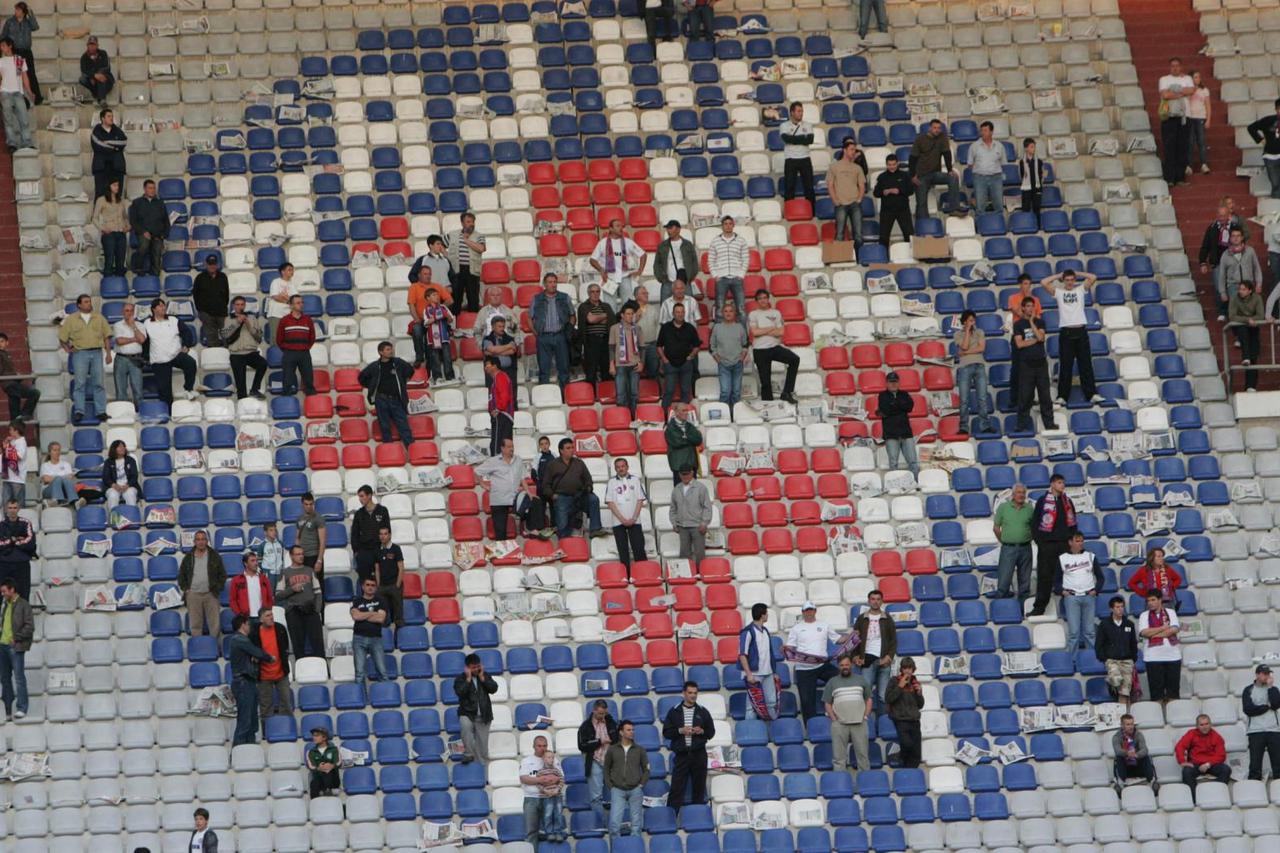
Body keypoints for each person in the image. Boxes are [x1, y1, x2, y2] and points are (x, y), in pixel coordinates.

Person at [1040, 270, 1101, 405]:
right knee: (1066, 366)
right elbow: (1043, 282)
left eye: (1071, 279)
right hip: (1066, 332)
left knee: (1085, 365)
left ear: (1074, 280)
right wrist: (1058, 275)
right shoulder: (1059, 292)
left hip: (1081, 331)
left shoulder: (1080, 290)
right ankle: (1062, 396)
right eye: (1067, 280)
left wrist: (1077, 273)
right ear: (1064, 281)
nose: (1069, 282)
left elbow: (1093, 276)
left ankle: (1091, 394)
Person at [784, 601, 843, 722]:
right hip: (804, 668)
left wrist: (852, 636)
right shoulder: (796, 628)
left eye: (811, 610)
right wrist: (786, 649)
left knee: (842, 679)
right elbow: (791, 647)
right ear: (803, 612)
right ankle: (811, 728)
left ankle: (840, 714)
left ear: (815, 611)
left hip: (822, 665)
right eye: (806, 610)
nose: (809, 612)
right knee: (806, 701)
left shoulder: (824, 625)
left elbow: (838, 639)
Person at [59, 293, 113, 424]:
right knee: (80, 383)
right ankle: (79, 410)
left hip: (96, 352)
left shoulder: (99, 318)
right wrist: (68, 349)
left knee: (99, 383)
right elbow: (62, 338)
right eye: (86, 302)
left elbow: (107, 336)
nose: (89, 304)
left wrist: (108, 353)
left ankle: (101, 411)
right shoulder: (71, 319)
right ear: (79, 305)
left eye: (89, 301)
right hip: (80, 353)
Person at [663, 681, 715, 815]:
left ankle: (697, 818)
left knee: (699, 788)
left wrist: (701, 731)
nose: (693, 696)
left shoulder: (703, 711)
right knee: (676, 788)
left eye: (695, 693)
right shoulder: (674, 711)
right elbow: (666, 732)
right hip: (681, 755)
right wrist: (680, 731)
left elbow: (711, 732)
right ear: (684, 693)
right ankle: (671, 818)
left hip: (699, 755)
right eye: (690, 693)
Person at [540, 438, 606, 540]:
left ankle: (595, 529)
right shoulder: (553, 465)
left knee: (593, 499)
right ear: (561, 450)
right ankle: (565, 542)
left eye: (572, 447)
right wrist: (552, 495)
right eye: (568, 448)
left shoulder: (579, 463)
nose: (571, 450)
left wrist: (588, 488)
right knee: (562, 529)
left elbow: (588, 479)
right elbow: (545, 485)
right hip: (562, 497)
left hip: (580, 496)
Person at [1029, 474, 1077, 616]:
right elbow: (1035, 523)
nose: (1062, 485)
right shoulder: (1042, 501)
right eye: (1059, 482)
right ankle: (1039, 608)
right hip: (1047, 545)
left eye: (1063, 482)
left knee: (1067, 577)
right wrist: (1040, 542)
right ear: (1052, 484)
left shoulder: (1068, 502)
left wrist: (1070, 542)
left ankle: (1070, 608)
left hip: (1064, 545)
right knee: (1044, 577)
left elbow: (1073, 523)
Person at [823, 653, 873, 785]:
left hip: (859, 723)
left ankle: (866, 784)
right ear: (838, 666)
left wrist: (865, 716)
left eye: (846, 664)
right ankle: (841, 786)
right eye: (841, 665)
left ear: (851, 665)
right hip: (839, 724)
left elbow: (868, 699)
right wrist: (834, 719)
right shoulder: (832, 682)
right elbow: (827, 703)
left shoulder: (861, 680)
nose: (844, 667)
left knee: (863, 756)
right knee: (839, 758)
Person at [142, 298, 198, 405]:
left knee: (191, 363)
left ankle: (188, 389)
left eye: (164, 305)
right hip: (159, 359)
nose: (163, 307)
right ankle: (168, 414)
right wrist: (146, 357)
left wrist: (186, 345)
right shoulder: (147, 323)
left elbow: (187, 332)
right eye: (160, 306)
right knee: (165, 391)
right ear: (153, 309)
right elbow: (144, 341)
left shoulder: (174, 320)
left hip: (175, 354)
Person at [229, 613, 274, 745]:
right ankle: (238, 751)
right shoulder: (239, 639)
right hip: (243, 682)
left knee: (252, 720)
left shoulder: (240, 641)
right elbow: (257, 652)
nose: (249, 627)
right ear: (243, 625)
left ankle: (249, 749)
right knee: (245, 720)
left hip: (248, 682)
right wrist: (269, 657)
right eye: (248, 624)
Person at [359, 341, 414, 447]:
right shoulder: (374, 366)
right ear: (381, 352)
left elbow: (410, 371)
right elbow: (361, 377)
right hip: (381, 400)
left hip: (396, 400)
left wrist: (402, 382)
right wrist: (371, 386)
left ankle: (412, 450)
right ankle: (390, 452)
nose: (391, 351)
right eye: (388, 349)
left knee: (404, 426)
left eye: (391, 349)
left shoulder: (398, 362)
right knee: (384, 427)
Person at [851, 589, 896, 720]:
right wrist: (855, 656)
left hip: (884, 660)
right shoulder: (862, 618)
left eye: (878, 599)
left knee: (883, 695)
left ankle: (883, 723)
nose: (875, 602)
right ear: (868, 600)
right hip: (867, 660)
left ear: (882, 601)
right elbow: (854, 640)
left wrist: (889, 656)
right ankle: (866, 722)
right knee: (866, 694)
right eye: (873, 599)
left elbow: (893, 640)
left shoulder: (887, 619)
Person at [1012, 297, 1054, 432]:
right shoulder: (1018, 325)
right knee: (1025, 396)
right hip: (1026, 364)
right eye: (1028, 306)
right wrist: (1035, 340)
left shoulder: (1040, 322)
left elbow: (1041, 337)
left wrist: (1031, 323)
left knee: (1045, 396)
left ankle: (1049, 423)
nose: (1030, 309)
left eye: (1032, 306)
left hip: (1041, 363)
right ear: (1023, 308)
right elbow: (1019, 344)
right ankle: (1021, 425)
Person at [749, 289, 800, 404]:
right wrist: (772, 328)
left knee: (794, 359)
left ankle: (787, 392)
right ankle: (768, 406)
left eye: (764, 298)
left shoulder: (776, 313)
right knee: (765, 383)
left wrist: (762, 330)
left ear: (768, 299)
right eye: (760, 298)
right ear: (757, 301)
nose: (763, 300)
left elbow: (781, 332)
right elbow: (755, 333)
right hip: (760, 350)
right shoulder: (753, 314)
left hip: (774, 347)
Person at [1059, 531, 1103, 656]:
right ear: (1070, 542)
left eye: (1082, 541)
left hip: (1088, 596)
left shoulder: (1090, 556)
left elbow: (1100, 577)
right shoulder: (1063, 558)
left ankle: (1093, 658)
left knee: (1090, 632)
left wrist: (1096, 590)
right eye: (1077, 541)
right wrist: (1062, 592)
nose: (1080, 543)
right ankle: (1073, 660)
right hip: (1071, 597)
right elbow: (1056, 579)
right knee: (1074, 633)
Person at [604, 720, 649, 841]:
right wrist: (610, 786)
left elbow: (646, 769)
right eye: (629, 730)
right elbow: (606, 768)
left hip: (635, 789)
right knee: (614, 824)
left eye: (633, 730)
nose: (632, 732)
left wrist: (641, 785)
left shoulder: (640, 749)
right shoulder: (612, 749)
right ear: (621, 732)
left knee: (636, 825)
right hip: (617, 790)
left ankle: (635, 848)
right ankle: (616, 849)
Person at [577, 699, 619, 828]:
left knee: (618, 793)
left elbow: (617, 739)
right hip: (595, 760)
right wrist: (599, 741)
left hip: (611, 761)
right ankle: (600, 824)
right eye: (600, 713)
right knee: (596, 796)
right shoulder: (585, 726)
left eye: (604, 713)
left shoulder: (612, 723)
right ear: (594, 710)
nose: (602, 716)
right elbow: (582, 745)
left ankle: (615, 823)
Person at [530, 273, 575, 390]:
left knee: (564, 369)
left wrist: (569, 331)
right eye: (550, 282)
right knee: (544, 370)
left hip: (561, 336)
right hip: (543, 337)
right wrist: (536, 333)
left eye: (555, 282)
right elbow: (529, 318)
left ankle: (565, 397)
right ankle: (544, 396)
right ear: (544, 284)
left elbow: (572, 316)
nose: (553, 284)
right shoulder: (536, 298)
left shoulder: (565, 297)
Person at [276, 545, 323, 657]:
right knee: (298, 646)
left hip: (311, 610)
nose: (301, 556)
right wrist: (292, 589)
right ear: (291, 556)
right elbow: (278, 595)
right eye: (298, 554)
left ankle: (323, 669)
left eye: (302, 554)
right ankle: (300, 669)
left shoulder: (309, 570)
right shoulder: (285, 572)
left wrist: (317, 610)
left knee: (318, 644)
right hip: (294, 612)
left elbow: (318, 592)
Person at [738, 602, 782, 721]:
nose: (767, 615)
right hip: (755, 673)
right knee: (752, 705)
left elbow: (769, 653)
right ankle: (751, 732)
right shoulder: (747, 632)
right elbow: (742, 654)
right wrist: (748, 674)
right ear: (762, 615)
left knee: (771, 703)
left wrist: (773, 672)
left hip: (767, 672)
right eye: (766, 613)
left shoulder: (765, 631)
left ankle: (771, 731)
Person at [1137, 590, 1182, 705]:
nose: (1150, 603)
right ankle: (1159, 719)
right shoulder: (1144, 615)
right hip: (1153, 658)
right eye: (1148, 601)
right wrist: (1163, 627)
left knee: (1173, 693)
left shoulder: (1170, 612)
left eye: (1153, 600)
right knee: (1157, 694)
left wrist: (1154, 634)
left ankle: (1173, 719)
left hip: (1173, 657)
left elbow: (1174, 630)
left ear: (1160, 600)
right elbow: (1144, 633)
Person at [478, 437, 527, 542]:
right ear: (502, 448)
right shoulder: (493, 461)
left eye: (512, 446)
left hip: (515, 497)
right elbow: (477, 472)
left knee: (534, 503)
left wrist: (528, 492)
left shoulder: (518, 460)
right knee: (500, 531)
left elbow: (522, 477)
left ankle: (530, 532)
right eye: (509, 447)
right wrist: (483, 485)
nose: (512, 449)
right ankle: (502, 555)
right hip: (499, 499)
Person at [910, 119, 962, 217]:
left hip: (935, 173)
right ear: (930, 128)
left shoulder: (942, 137)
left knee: (954, 177)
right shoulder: (920, 139)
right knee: (921, 203)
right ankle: (922, 224)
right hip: (921, 175)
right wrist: (913, 176)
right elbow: (912, 158)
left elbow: (947, 153)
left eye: (939, 128)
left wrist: (950, 170)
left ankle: (954, 208)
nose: (937, 130)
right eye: (934, 128)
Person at [590, 218, 646, 309]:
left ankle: (627, 323)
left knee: (628, 306)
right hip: (609, 278)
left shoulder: (628, 242)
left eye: (622, 226)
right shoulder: (603, 243)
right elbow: (592, 259)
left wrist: (640, 270)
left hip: (625, 277)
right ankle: (613, 323)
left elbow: (643, 254)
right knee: (610, 307)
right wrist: (601, 270)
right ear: (611, 229)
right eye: (618, 226)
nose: (621, 228)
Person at [520, 735, 567, 844]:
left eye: (545, 746)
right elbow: (524, 779)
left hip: (551, 797)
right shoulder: (527, 760)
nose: (542, 748)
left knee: (551, 830)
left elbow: (560, 778)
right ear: (534, 746)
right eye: (539, 746)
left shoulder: (553, 759)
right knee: (531, 832)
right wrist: (541, 779)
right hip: (531, 799)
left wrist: (540, 780)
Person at [605, 457, 648, 574]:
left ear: (627, 467)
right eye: (618, 467)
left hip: (635, 521)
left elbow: (640, 500)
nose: (621, 469)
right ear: (615, 469)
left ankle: (643, 574)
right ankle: (627, 576)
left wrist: (633, 518)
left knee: (639, 549)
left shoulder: (635, 480)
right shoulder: (611, 482)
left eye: (623, 466)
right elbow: (610, 502)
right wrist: (623, 519)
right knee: (623, 552)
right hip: (618, 522)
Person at [1095, 595, 1139, 709]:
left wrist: (1133, 658)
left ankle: (1123, 714)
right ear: (1111, 609)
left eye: (1122, 607)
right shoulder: (1104, 624)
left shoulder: (1129, 624)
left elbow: (1133, 643)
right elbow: (1099, 644)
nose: (1120, 609)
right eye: (1117, 607)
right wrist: (1104, 658)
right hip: (1112, 660)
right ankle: (1111, 682)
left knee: (1125, 692)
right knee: (1116, 681)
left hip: (1127, 661)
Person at [178, 530, 224, 638]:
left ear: (207, 541)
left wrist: (216, 588)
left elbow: (222, 575)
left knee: (215, 625)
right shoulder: (188, 557)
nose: (201, 542)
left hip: (211, 594)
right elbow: (181, 575)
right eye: (198, 539)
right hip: (193, 595)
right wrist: (186, 589)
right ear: (194, 541)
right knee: (195, 625)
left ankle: (215, 649)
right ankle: (198, 650)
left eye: (203, 539)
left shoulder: (215, 556)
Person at [251, 607, 291, 729]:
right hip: (263, 676)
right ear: (261, 619)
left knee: (286, 703)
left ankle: (286, 728)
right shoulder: (254, 632)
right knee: (266, 707)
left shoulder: (280, 628)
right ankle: (267, 731)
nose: (271, 617)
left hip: (281, 673)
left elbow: (285, 648)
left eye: (272, 615)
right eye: (268, 615)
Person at [454, 653, 497, 764]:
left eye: (478, 666)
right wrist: (468, 679)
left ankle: (482, 769)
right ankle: (468, 753)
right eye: (473, 667)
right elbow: (460, 692)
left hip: (484, 714)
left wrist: (483, 678)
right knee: (465, 726)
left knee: (483, 748)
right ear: (467, 667)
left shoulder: (484, 675)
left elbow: (493, 689)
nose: (477, 669)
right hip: (467, 713)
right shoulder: (460, 679)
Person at [656, 303, 700, 412]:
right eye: (677, 312)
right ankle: (664, 416)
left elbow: (697, 345)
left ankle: (684, 416)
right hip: (669, 364)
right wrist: (664, 359)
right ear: (673, 314)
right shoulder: (665, 328)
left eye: (682, 312)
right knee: (669, 390)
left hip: (686, 364)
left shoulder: (690, 328)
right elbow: (659, 346)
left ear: (685, 313)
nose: (680, 314)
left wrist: (691, 356)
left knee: (686, 391)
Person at [1176, 715, 1231, 800]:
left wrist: (1208, 764)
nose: (1204, 727)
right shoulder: (1191, 733)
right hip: (1195, 763)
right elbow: (1180, 746)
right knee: (1186, 771)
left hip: (1211, 763)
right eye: (1201, 725)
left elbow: (1221, 755)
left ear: (1210, 724)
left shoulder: (1216, 736)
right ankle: (1195, 799)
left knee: (1226, 770)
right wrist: (1182, 761)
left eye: (1206, 724)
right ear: (1197, 726)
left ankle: (1215, 793)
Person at [955, 310, 992, 435]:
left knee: (982, 397)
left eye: (973, 320)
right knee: (964, 399)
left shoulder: (979, 332)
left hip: (979, 366)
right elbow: (964, 346)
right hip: (965, 367)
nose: (972, 322)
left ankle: (985, 425)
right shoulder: (958, 334)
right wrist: (967, 331)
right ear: (964, 321)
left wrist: (965, 353)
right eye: (970, 320)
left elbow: (982, 348)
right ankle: (964, 427)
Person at [223, 296, 267, 400]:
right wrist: (237, 322)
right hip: (236, 354)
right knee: (241, 386)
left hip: (251, 352)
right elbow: (224, 335)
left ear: (245, 305)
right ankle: (242, 407)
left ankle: (254, 389)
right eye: (237, 304)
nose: (240, 307)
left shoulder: (252, 318)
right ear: (233, 306)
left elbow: (259, 337)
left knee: (263, 364)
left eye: (242, 304)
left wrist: (248, 325)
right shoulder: (228, 319)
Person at [407, 263, 452, 367]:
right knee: (417, 329)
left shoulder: (437, 286)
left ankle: (439, 357)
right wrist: (416, 319)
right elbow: (411, 305)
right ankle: (419, 357)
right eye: (425, 274)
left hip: (437, 320)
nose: (428, 276)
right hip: (423, 320)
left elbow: (450, 300)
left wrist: (439, 309)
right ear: (419, 275)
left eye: (429, 274)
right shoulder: (414, 287)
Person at [1158, 57, 1194, 186]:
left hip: (1185, 117)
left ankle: (1180, 178)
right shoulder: (1164, 79)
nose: (1175, 68)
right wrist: (1180, 93)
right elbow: (1164, 95)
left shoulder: (1187, 79)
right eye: (1172, 65)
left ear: (1181, 67)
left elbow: (1191, 90)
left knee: (1182, 148)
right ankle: (1169, 178)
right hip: (1169, 116)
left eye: (1177, 65)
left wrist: (1173, 91)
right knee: (1169, 147)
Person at [1198, 206, 1238, 319]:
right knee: (1218, 287)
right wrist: (1203, 262)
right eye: (1219, 215)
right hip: (1218, 263)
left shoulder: (1235, 227)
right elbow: (1205, 246)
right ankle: (1222, 311)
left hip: (1233, 263)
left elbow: (1243, 242)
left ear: (1228, 216)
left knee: (1233, 287)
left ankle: (1233, 311)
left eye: (1223, 215)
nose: (1221, 218)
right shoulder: (1211, 228)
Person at [1217, 227, 1263, 326]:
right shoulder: (1225, 255)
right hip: (1234, 286)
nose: (1236, 238)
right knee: (1235, 314)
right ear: (1230, 238)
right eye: (1233, 236)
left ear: (1242, 237)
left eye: (1238, 236)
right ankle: (1239, 337)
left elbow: (1257, 268)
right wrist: (1222, 292)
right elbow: (1222, 275)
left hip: (1249, 285)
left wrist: (1259, 284)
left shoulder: (1250, 251)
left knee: (1252, 311)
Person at [707, 215, 749, 323]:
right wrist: (715, 276)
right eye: (725, 224)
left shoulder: (741, 240)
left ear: (733, 225)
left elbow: (745, 258)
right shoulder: (715, 241)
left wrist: (741, 275)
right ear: (722, 226)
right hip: (721, 279)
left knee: (741, 309)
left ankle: (743, 338)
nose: (728, 226)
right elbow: (711, 259)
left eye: (730, 224)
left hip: (737, 278)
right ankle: (719, 337)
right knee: (720, 308)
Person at [1243, 664, 1280, 781]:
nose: (1267, 676)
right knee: (1255, 765)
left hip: (1273, 729)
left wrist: (1270, 688)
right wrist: (1266, 706)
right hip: (1255, 730)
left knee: (1278, 763)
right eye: (1264, 674)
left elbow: (1275, 704)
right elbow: (1248, 710)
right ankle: (1254, 789)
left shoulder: (1274, 689)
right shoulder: (1248, 690)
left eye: (1268, 673)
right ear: (1257, 674)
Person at [710, 302, 750, 411]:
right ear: (722, 313)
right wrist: (718, 359)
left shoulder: (740, 327)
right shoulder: (717, 327)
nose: (728, 313)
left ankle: (735, 415)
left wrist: (742, 356)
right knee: (725, 392)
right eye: (726, 311)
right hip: (723, 365)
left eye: (731, 311)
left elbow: (745, 343)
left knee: (736, 392)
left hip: (738, 364)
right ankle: (723, 415)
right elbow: (712, 346)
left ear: (735, 313)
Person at [886, 657, 925, 768]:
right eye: (905, 668)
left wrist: (919, 693)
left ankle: (911, 773)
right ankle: (902, 763)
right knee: (907, 744)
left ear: (913, 670)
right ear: (901, 670)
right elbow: (888, 698)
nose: (907, 671)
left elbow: (920, 705)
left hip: (915, 720)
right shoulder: (894, 681)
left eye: (910, 668)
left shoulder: (915, 682)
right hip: (901, 720)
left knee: (916, 753)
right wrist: (899, 686)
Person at [827, 137, 867, 245]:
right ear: (844, 150)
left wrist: (859, 199)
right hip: (840, 204)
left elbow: (862, 185)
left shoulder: (857, 168)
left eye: (854, 149)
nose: (854, 152)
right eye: (851, 149)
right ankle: (838, 259)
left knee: (858, 235)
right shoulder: (834, 166)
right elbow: (830, 185)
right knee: (839, 234)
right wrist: (835, 200)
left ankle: (859, 259)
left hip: (855, 204)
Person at [576, 283, 617, 388]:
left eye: (597, 291)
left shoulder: (606, 306)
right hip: (591, 341)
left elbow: (611, 321)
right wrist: (604, 316)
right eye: (592, 292)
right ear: (588, 293)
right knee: (591, 371)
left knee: (606, 370)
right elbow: (590, 319)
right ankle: (591, 396)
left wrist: (596, 318)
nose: (595, 294)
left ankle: (607, 395)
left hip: (606, 341)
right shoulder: (583, 306)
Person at [275, 295, 317, 396]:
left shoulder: (308, 320)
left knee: (308, 380)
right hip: (289, 353)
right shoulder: (284, 320)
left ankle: (312, 402)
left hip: (304, 353)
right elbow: (279, 339)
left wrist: (305, 348)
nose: (301, 305)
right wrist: (288, 349)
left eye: (302, 302)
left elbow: (312, 337)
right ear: (291, 305)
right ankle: (287, 404)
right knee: (287, 380)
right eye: (298, 303)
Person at [415, 288, 458, 386]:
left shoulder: (443, 307)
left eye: (437, 295)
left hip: (444, 336)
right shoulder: (426, 309)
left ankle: (450, 376)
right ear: (428, 298)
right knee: (435, 358)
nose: (437, 297)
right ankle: (437, 377)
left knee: (447, 357)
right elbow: (426, 322)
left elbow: (451, 320)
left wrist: (445, 315)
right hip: (432, 339)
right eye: (434, 295)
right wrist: (436, 317)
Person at [878, 371, 918, 476]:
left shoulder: (904, 394)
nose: (893, 384)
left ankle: (916, 483)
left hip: (906, 433)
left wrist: (893, 405)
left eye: (895, 382)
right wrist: (900, 406)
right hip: (891, 434)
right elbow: (886, 410)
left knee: (913, 461)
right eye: (891, 382)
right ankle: (894, 485)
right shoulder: (882, 395)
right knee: (893, 463)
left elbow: (909, 407)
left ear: (898, 382)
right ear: (886, 383)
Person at [0, 577, 29, 719]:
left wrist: (17, 638)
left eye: (4, 591)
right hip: (2, 646)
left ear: (12, 590)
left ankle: (22, 707)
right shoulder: (4, 605)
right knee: (4, 679)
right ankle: (8, 709)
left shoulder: (23, 605)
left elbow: (30, 626)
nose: (3, 594)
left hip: (15, 646)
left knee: (19, 678)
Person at [350, 576, 389, 683]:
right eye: (367, 585)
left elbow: (380, 618)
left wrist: (363, 614)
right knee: (359, 674)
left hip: (376, 639)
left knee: (382, 672)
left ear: (376, 588)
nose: (370, 587)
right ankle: (360, 699)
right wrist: (372, 613)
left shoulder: (381, 601)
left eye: (373, 585)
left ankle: (385, 698)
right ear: (362, 587)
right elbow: (356, 617)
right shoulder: (356, 601)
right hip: (359, 639)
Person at [609, 300, 643, 417]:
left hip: (634, 364)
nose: (630, 316)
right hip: (620, 365)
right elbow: (612, 348)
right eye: (627, 314)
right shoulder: (614, 328)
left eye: (632, 314)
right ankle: (623, 418)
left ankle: (633, 417)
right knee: (621, 394)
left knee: (634, 393)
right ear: (622, 315)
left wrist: (641, 362)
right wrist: (611, 364)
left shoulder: (637, 328)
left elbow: (642, 347)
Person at [445, 211, 485, 313]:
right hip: (457, 270)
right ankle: (454, 324)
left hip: (472, 270)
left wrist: (466, 241)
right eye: (468, 221)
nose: (471, 224)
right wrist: (446, 256)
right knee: (456, 298)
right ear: (462, 223)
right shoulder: (453, 234)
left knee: (473, 298)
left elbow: (481, 248)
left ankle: (472, 324)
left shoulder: (479, 235)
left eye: (472, 222)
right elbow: (439, 244)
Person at [670, 465, 712, 564]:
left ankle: (701, 573)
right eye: (682, 474)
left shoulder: (701, 488)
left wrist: (704, 523)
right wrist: (674, 523)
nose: (685, 476)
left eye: (687, 474)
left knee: (699, 552)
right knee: (684, 553)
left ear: (692, 473)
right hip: (682, 526)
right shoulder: (677, 489)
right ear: (679, 474)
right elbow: (673, 508)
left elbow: (707, 507)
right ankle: (686, 575)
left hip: (697, 525)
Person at [779, 101, 816, 208]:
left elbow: (810, 139)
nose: (801, 113)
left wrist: (794, 139)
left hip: (805, 159)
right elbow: (786, 138)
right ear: (792, 112)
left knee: (809, 188)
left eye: (802, 111)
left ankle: (812, 212)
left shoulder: (808, 125)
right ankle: (789, 211)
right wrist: (802, 139)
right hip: (791, 159)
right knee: (789, 188)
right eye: (799, 111)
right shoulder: (784, 125)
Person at [128, 179, 168, 276]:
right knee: (144, 245)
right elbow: (133, 221)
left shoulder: (160, 203)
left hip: (158, 234)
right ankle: (138, 269)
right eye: (150, 188)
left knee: (157, 252)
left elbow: (166, 221)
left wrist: (164, 234)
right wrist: (142, 231)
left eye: (154, 188)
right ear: (144, 189)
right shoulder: (136, 203)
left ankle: (154, 276)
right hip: (143, 232)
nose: (152, 190)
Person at [350, 484, 390, 582]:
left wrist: (385, 549)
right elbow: (354, 534)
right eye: (359, 496)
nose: (360, 499)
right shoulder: (359, 513)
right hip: (364, 552)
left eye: (362, 496)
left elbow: (388, 530)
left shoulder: (382, 510)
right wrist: (357, 552)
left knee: (383, 580)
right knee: (365, 581)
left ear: (370, 495)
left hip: (379, 550)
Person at [1, 4, 38, 106]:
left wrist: (30, 12)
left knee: (31, 74)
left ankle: (36, 98)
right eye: (16, 9)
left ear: (23, 11)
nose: (16, 11)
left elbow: (35, 27)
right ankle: (20, 99)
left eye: (18, 9)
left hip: (26, 51)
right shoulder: (10, 22)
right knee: (18, 75)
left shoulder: (28, 21)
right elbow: (3, 36)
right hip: (16, 51)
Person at [874, 154, 914, 246]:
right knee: (883, 237)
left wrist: (899, 191)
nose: (892, 167)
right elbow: (876, 193)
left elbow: (911, 190)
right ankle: (883, 257)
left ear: (897, 163)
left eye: (893, 164)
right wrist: (883, 192)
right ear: (886, 164)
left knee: (909, 235)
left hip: (903, 210)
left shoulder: (905, 175)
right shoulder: (882, 177)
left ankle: (912, 256)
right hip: (887, 211)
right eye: (889, 165)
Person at [654, 220, 699, 302]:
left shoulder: (688, 245)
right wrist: (662, 278)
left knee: (688, 307)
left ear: (678, 229)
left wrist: (689, 277)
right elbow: (657, 264)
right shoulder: (662, 245)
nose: (668, 231)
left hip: (684, 282)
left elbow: (694, 263)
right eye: (667, 228)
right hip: (668, 282)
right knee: (665, 308)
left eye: (670, 228)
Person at [969, 121, 1007, 214]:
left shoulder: (999, 146)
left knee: (998, 204)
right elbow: (970, 164)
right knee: (980, 206)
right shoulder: (974, 146)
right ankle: (980, 226)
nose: (983, 133)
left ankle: (999, 225)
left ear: (991, 132)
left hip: (996, 177)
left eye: (985, 130)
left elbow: (1003, 163)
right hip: (980, 177)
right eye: (981, 131)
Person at [92, 179, 127, 276]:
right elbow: (94, 218)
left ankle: (120, 286)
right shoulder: (101, 200)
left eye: (118, 185)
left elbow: (125, 217)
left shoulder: (121, 200)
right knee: (109, 260)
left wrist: (127, 227)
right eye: (114, 185)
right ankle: (108, 285)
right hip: (109, 233)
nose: (117, 187)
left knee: (121, 262)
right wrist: (103, 228)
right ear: (109, 186)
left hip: (120, 233)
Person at [192, 254, 229, 347]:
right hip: (206, 314)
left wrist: (223, 307)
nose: (212, 266)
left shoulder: (223, 276)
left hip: (221, 313)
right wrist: (201, 311)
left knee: (227, 337)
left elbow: (226, 294)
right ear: (206, 264)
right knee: (211, 339)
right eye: (210, 264)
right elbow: (195, 295)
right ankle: (214, 359)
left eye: (214, 264)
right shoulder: (200, 278)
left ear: (217, 264)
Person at [90, 107, 126, 198]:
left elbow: (123, 142)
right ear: (103, 118)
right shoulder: (96, 130)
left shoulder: (117, 130)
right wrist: (115, 148)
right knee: (100, 195)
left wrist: (107, 142)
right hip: (101, 167)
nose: (111, 118)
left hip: (116, 167)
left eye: (112, 116)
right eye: (109, 116)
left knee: (117, 195)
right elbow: (97, 144)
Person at [0, 332, 37, 421]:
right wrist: (16, 375)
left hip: (11, 383)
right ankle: (25, 414)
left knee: (14, 403)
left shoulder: (6, 354)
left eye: (2, 341)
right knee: (35, 393)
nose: (0, 344)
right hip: (9, 383)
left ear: (7, 343)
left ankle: (17, 420)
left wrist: (16, 375)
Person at [228, 551, 273, 623]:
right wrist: (240, 615)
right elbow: (233, 600)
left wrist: (267, 612)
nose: (256, 563)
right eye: (252, 561)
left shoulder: (264, 579)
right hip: (246, 618)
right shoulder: (236, 580)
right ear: (245, 564)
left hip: (262, 617)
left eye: (256, 560)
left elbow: (269, 598)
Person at [1112, 714, 1155, 789]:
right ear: (1122, 725)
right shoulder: (1116, 737)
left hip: (1137, 763)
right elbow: (1117, 750)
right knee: (1119, 757)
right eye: (1128, 724)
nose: (1131, 727)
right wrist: (1127, 753)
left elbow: (1145, 749)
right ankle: (1121, 783)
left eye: (1132, 724)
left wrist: (1136, 755)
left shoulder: (1138, 734)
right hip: (1126, 767)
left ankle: (1152, 782)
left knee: (1146, 756)